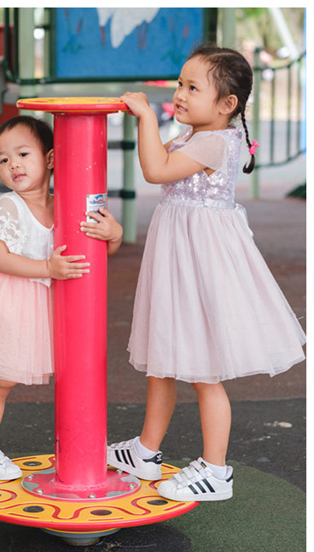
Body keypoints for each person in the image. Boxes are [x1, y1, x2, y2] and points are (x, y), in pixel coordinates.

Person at [109, 46, 306, 501]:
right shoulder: (197, 134)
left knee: (202, 369)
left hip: (199, 265)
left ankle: (216, 469)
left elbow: (155, 169)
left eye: (192, 88)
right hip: (178, 258)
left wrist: (144, 117)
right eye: (179, 84)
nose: (179, 94)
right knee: (163, 360)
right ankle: (145, 450)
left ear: (226, 104)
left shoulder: (216, 141)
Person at [0, 116, 123, 479]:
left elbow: (93, 256)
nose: (12, 164)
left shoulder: (65, 204)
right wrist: (48, 268)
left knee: (2, 382)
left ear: (48, 159)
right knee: (2, 379)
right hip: (3, 295)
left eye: (22, 154)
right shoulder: (9, 205)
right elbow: (0, 258)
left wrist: (115, 234)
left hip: (41, 303)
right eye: (2, 159)